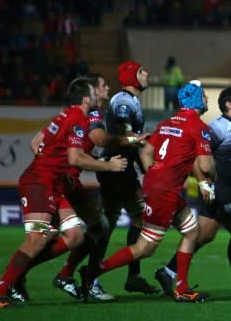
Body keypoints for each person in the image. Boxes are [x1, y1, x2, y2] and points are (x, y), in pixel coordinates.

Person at [0, 79, 128, 309]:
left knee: (75, 236)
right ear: (86, 99)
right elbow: (75, 158)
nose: (99, 93)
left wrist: (52, 164)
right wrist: (109, 165)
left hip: (53, 182)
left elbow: (35, 144)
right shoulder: (79, 118)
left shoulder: (63, 116)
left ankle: (27, 275)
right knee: (36, 241)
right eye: (94, 90)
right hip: (40, 183)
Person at [15, 73, 147, 303]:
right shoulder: (93, 112)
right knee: (63, 234)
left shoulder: (76, 113)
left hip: (66, 181)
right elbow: (99, 138)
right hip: (61, 182)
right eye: (103, 85)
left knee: (95, 226)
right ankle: (21, 276)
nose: (106, 89)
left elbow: (35, 143)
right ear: (92, 92)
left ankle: (61, 275)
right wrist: (129, 142)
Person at [81, 82, 215, 303]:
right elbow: (207, 166)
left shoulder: (165, 124)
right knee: (145, 248)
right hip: (165, 192)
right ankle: (94, 271)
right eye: (204, 97)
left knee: (192, 231)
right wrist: (208, 180)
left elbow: (146, 153)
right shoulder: (199, 128)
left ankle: (181, 285)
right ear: (197, 101)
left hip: (157, 186)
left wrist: (156, 172)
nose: (207, 100)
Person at [154, 86, 231, 299]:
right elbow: (197, 155)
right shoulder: (216, 129)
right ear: (229, 104)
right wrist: (203, 183)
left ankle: (168, 271)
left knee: (203, 235)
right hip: (220, 189)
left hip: (225, 189)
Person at [95, 60, 160, 294]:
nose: (147, 73)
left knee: (120, 223)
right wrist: (143, 145)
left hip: (122, 167)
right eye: (142, 71)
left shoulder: (131, 100)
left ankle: (130, 276)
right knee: (131, 222)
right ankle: (93, 276)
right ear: (132, 77)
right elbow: (125, 130)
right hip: (117, 167)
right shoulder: (123, 101)